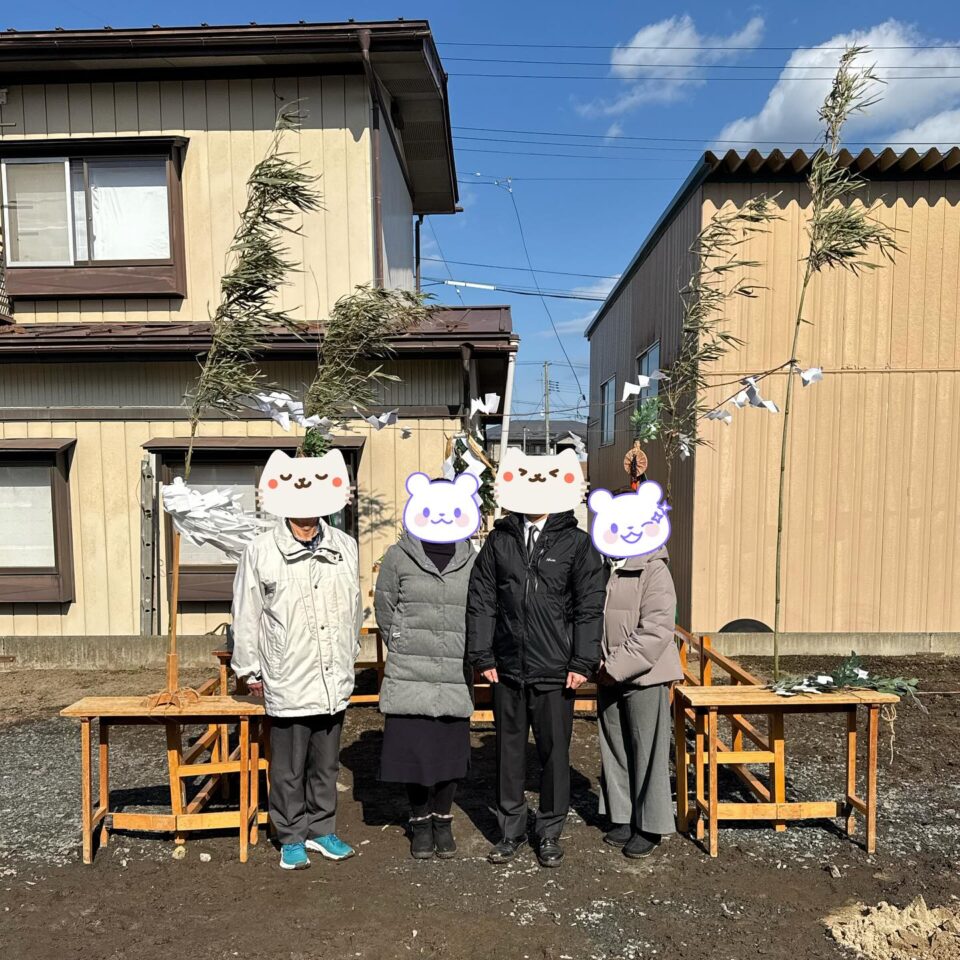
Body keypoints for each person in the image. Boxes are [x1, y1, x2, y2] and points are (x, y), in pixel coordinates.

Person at [467, 509, 605, 867]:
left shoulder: (575, 542)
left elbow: (589, 605)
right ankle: (510, 831)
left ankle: (548, 832)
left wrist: (582, 661)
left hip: (555, 671)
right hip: (508, 669)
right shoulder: (500, 540)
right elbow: (482, 599)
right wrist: (483, 655)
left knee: (554, 754)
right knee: (508, 753)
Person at [232, 513, 361, 871]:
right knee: (288, 765)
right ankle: (290, 835)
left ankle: (322, 830)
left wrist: (351, 653)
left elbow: (352, 607)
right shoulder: (261, 550)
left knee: (326, 762)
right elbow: (245, 611)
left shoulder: (343, 546)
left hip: (332, 673)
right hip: (288, 672)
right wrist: (249, 668)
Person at [374, 528, 476, 860]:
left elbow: (481, 608)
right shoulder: (398, 555)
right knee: (413, 749)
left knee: (449, 747)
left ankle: (443, 821)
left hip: (454, 667)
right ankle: (419, 821)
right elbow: (385, 604)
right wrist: (402, 643)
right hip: (410, 668)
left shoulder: (470, 558)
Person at [596, 542, 681, 859]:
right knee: (615, 746)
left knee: (647, 750)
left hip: (646, 675)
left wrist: (616, 667)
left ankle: (650, 825)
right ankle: (622, 815)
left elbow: (657, 629)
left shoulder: (654, 569)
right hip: (606, 673)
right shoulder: (604, 566)